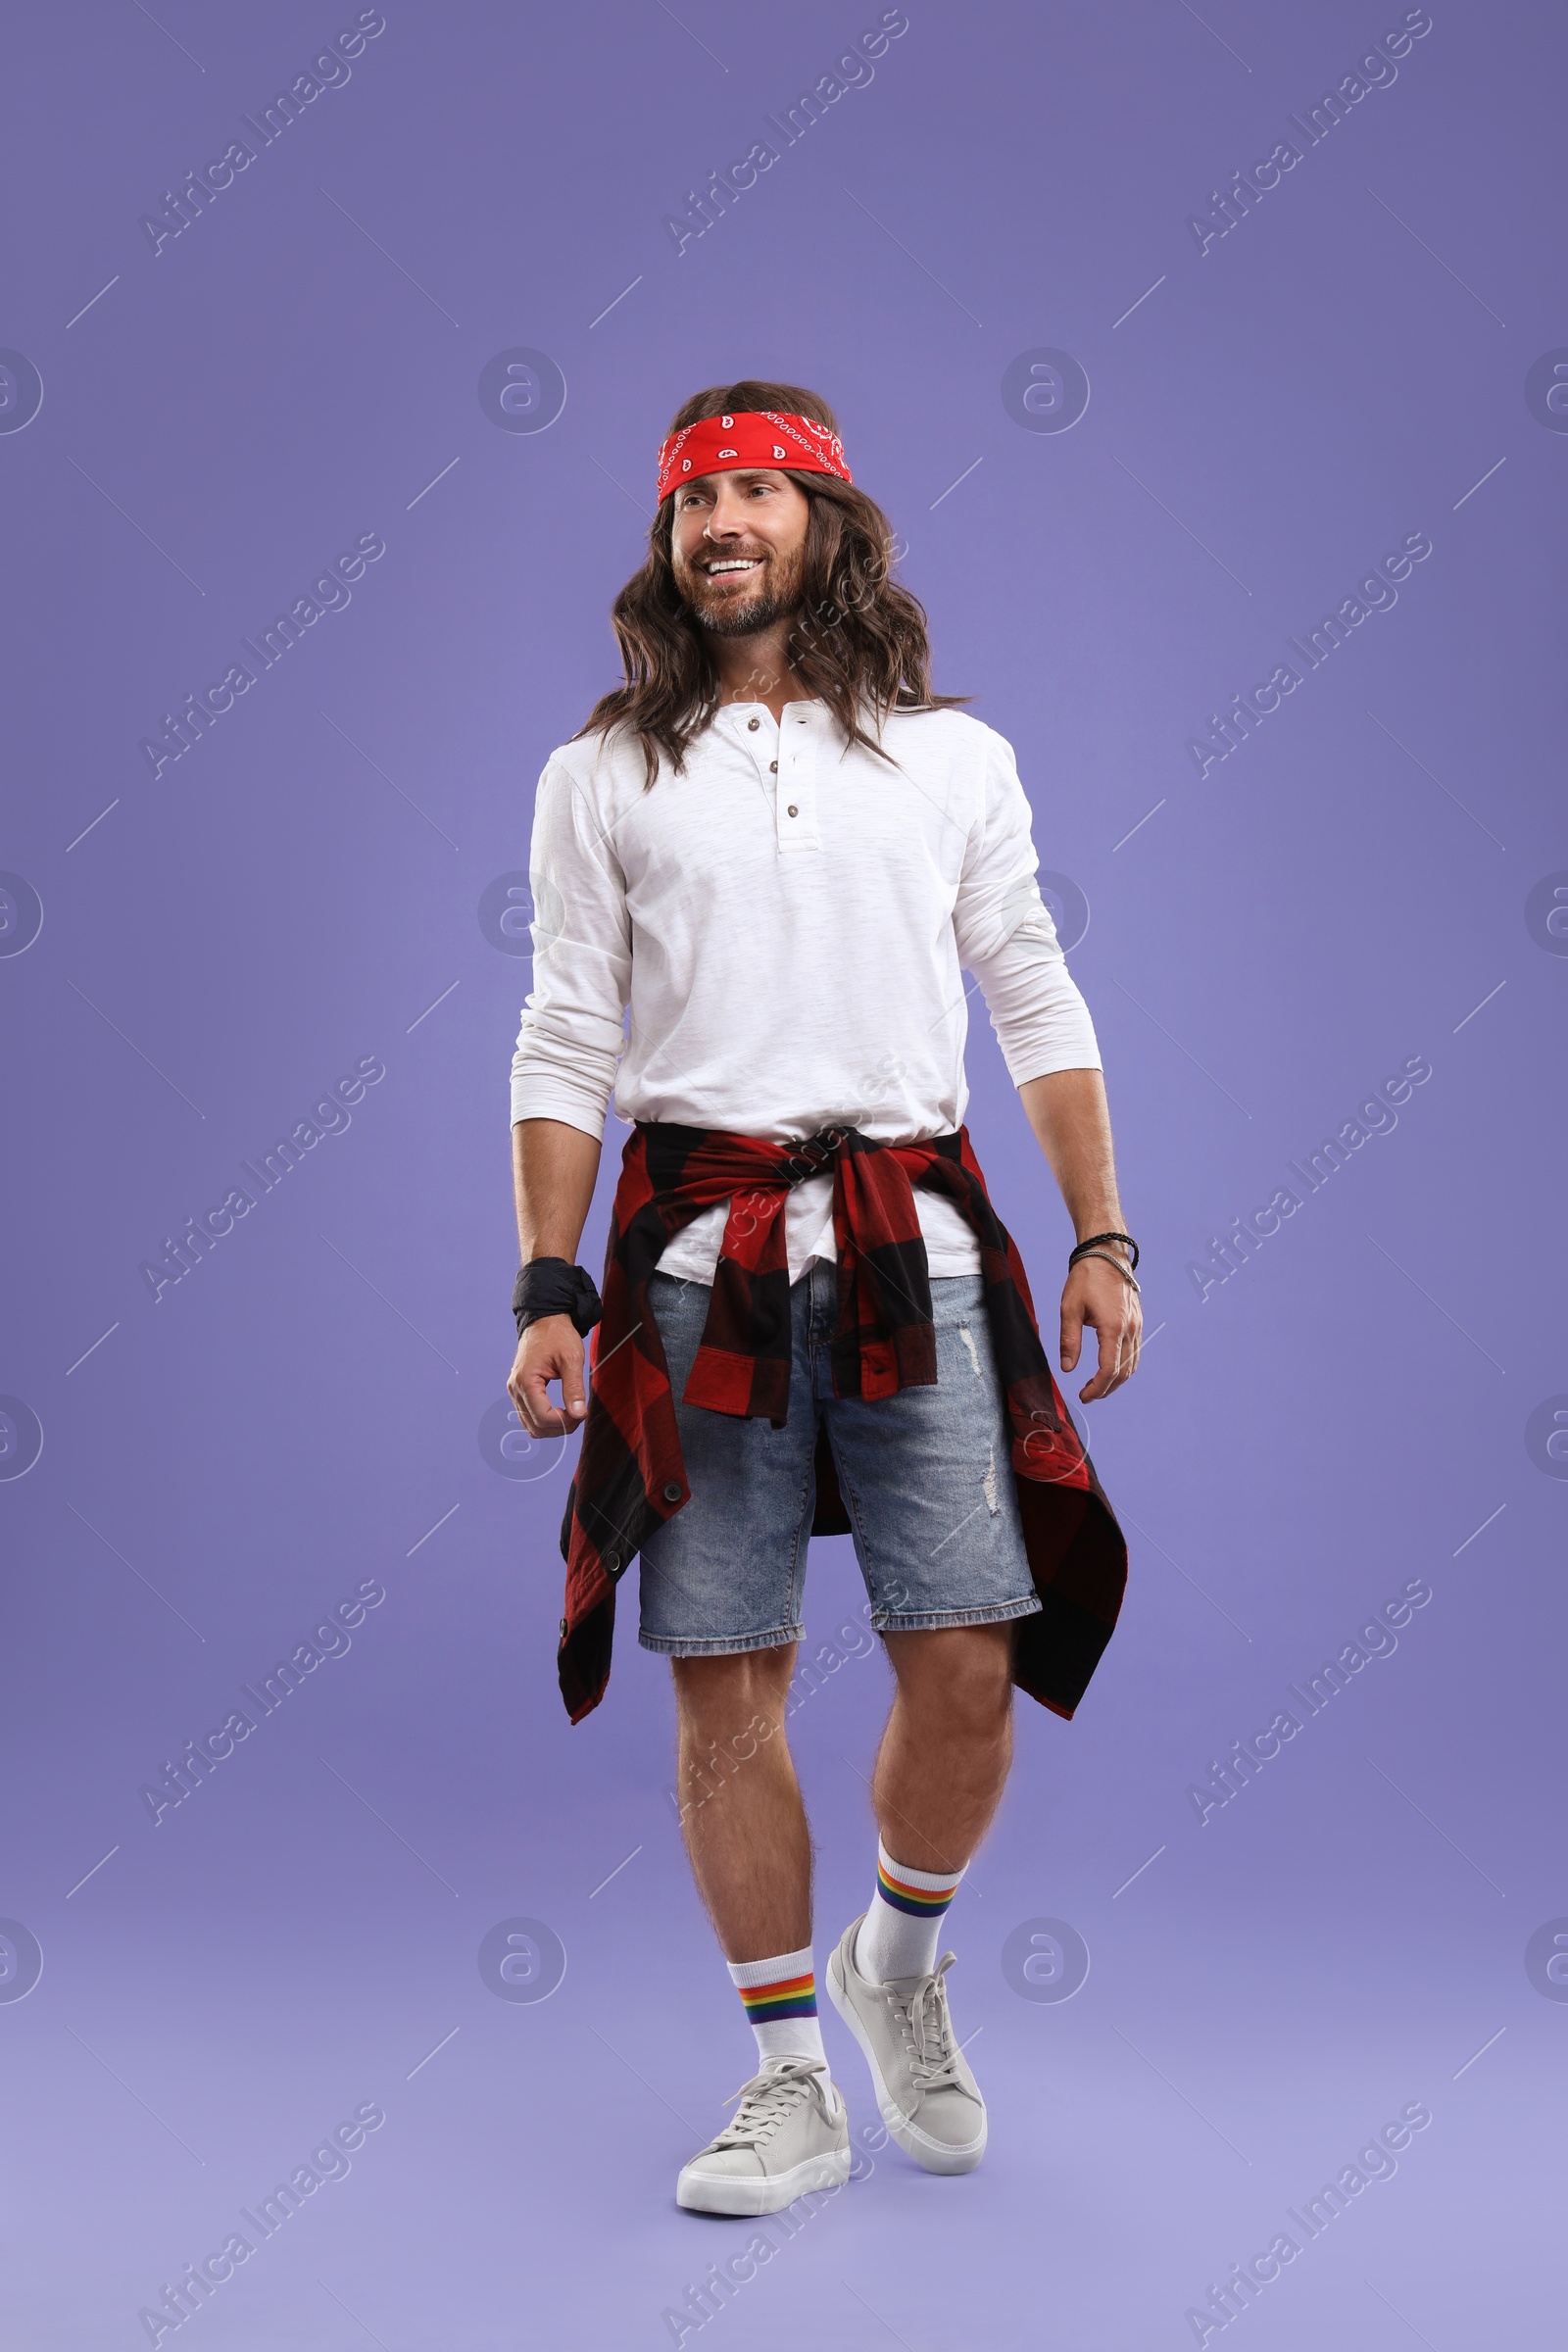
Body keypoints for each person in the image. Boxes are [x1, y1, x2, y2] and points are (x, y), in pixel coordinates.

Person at [506, 380, 1139, 2216]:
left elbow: (1033, 992)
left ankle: (899, 1967)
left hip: (912, 1248)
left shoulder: (954, 759)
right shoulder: (600, 774)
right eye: (696, 502)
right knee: (726, 1684)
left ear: (829, 523)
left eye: (760, 494)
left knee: (966, 1663)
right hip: (699, 1265)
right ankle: (789, 2074)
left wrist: (1102, 1235)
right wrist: (549, 1280)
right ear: (667, 539)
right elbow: (561, 1033)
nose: (724, 527)